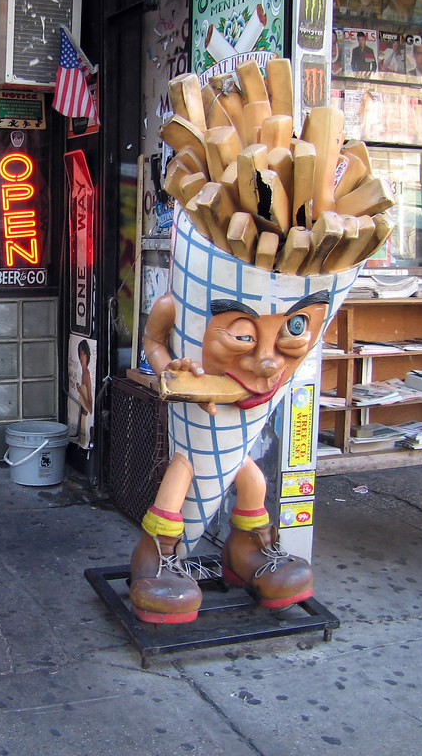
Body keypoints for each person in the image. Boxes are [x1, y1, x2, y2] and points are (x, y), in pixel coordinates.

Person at [128, 212, 362, 624]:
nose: (268, 364)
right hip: (196, 409)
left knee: (252, 478)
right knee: (182, 472)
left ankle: (248, 547)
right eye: (242, 335)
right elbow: (152, 340)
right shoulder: (172, 305)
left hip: (235, 419)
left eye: (294, 327)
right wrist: (172, 371)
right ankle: (157, 552)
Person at [75, 339, 93, 448]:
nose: (81, 357)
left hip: (85, 418)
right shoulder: (82, 373)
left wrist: (81, 392)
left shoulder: (87, 375)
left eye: (83, 354)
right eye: (80, 354)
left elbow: (90, 408)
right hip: (80, 416)